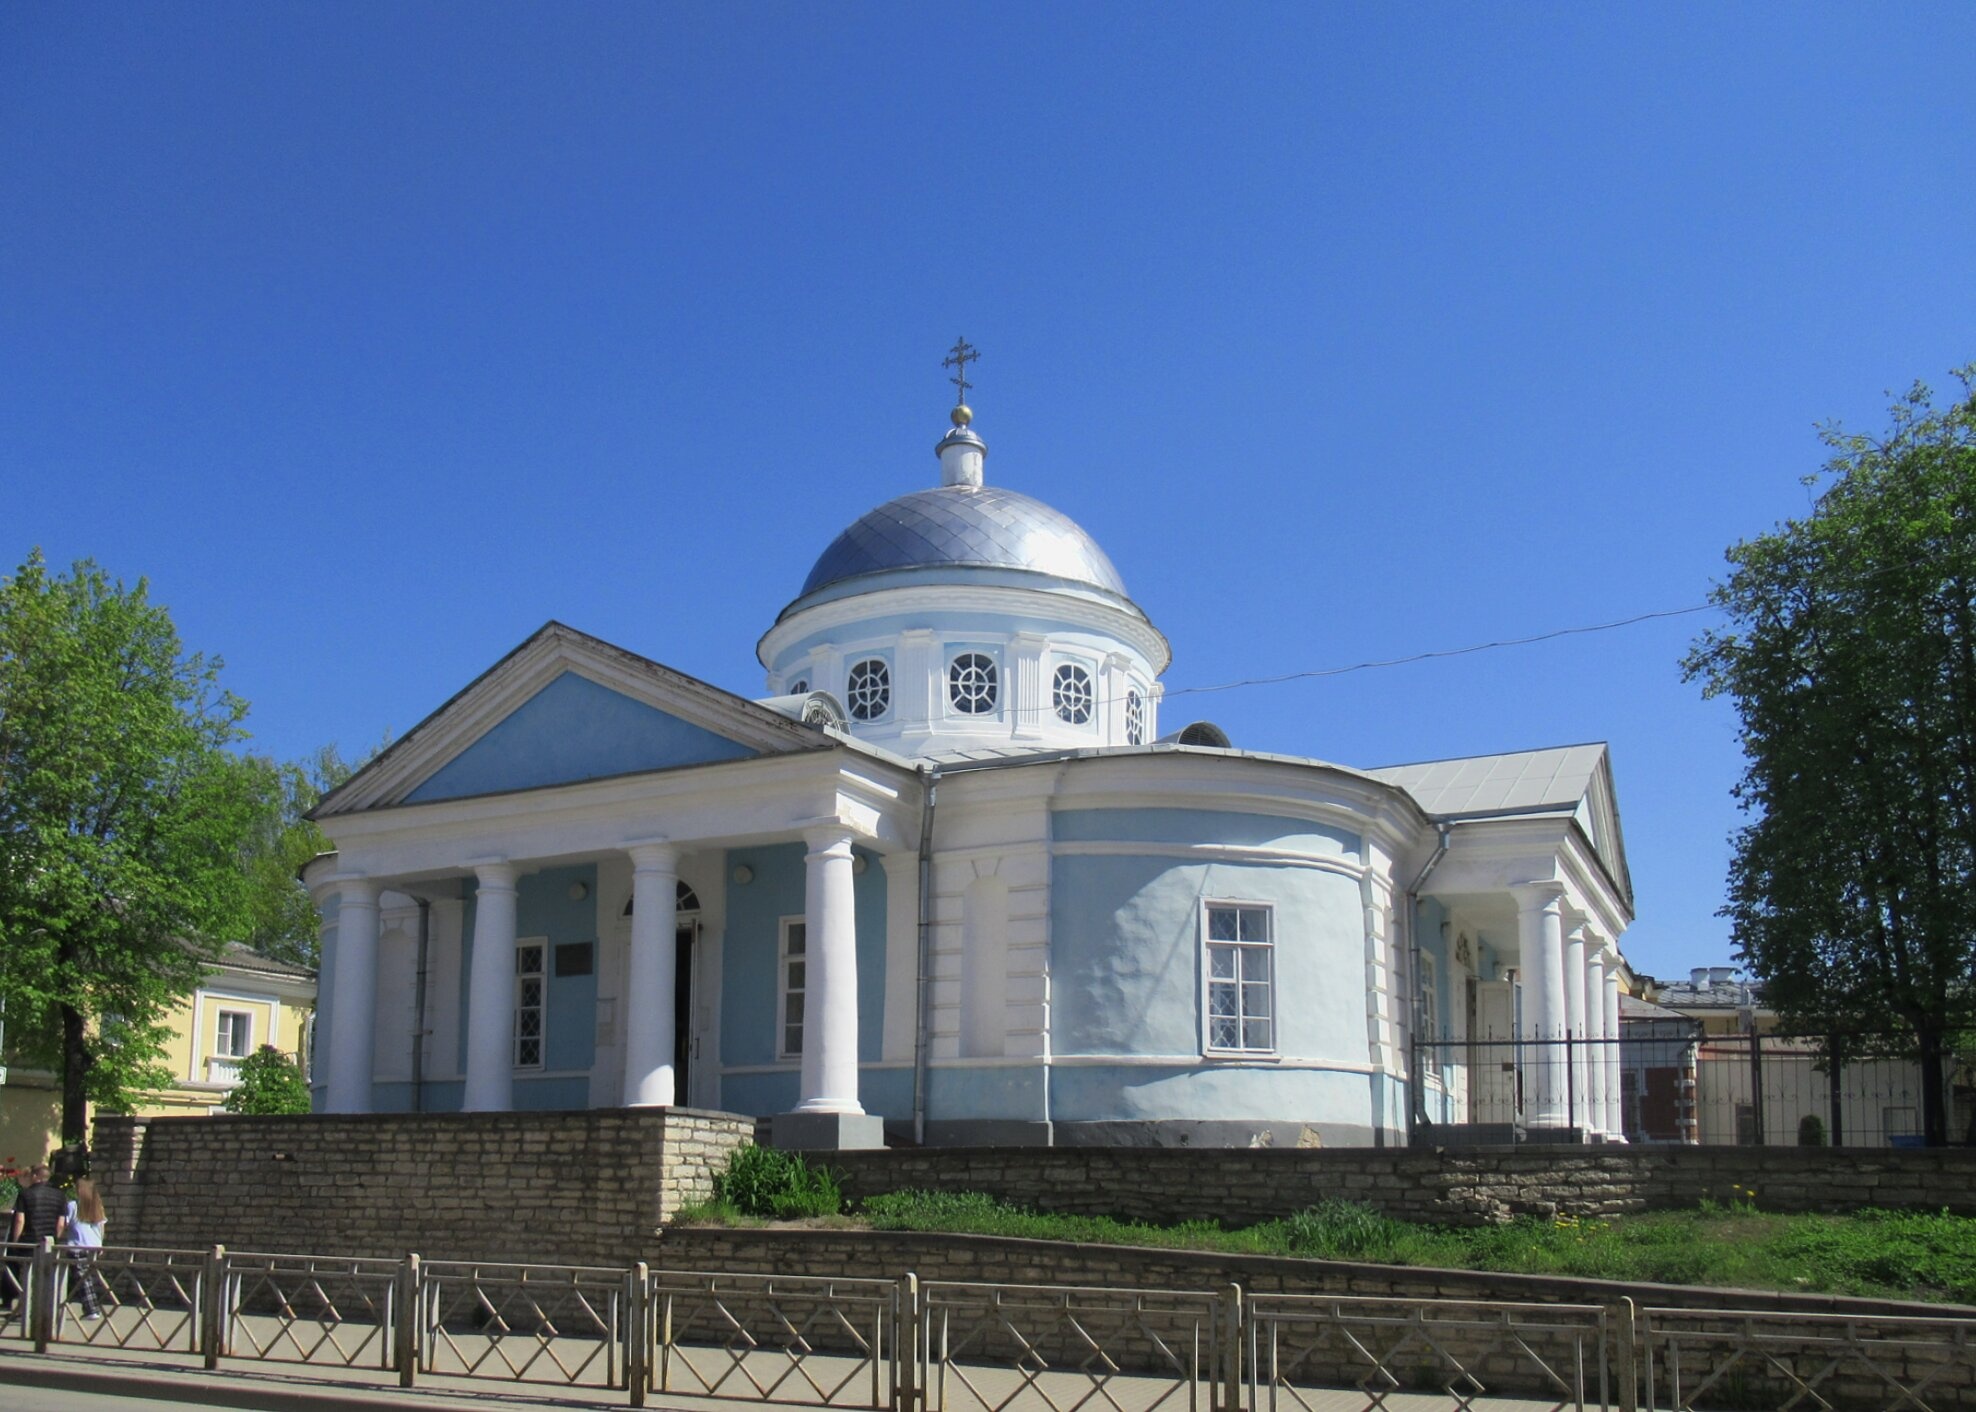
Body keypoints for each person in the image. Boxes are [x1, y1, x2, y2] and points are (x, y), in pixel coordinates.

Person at [6, 1164, 67, 1313]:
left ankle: (25, 1310)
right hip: (49, 1242)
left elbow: (20, 1220)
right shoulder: (60, 1195)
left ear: (35, 1176)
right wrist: (54, 1239)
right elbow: (61, 1224)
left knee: (27, 1277)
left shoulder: (26, 1194)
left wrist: (15, 1242)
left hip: (29, 1241)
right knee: (46, 1278)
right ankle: (45, 1310)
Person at [64, 1179, 108, 1320]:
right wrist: (100, 1244)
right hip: (93, 1246)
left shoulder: (73, 1205)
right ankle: (61, 1303)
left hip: (77, 1245)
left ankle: (91, 1310)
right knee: (81, 1277)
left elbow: (64, 1223)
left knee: (82, 1279)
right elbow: (101, 1227)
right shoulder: (97, 1206)